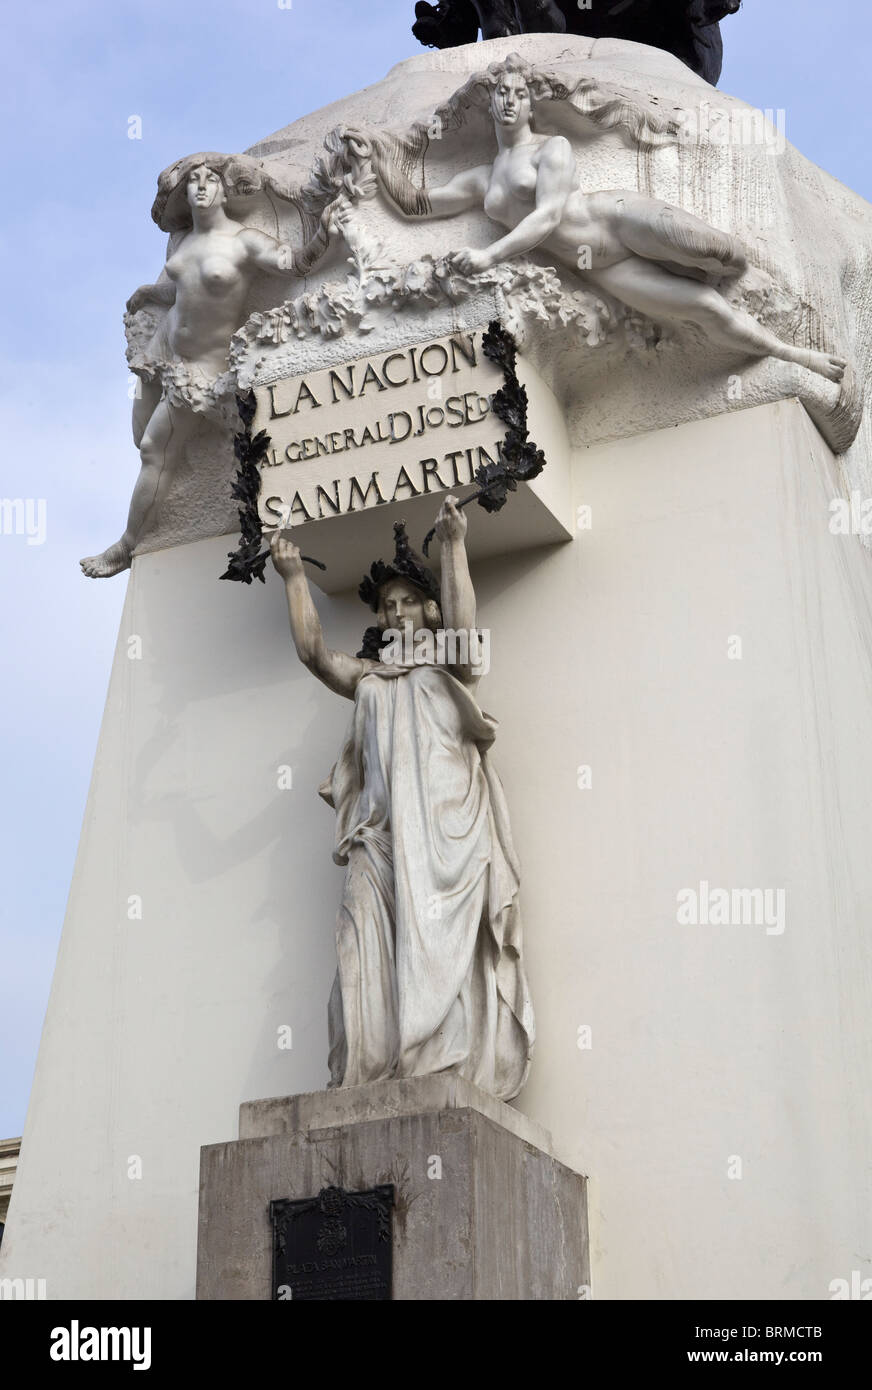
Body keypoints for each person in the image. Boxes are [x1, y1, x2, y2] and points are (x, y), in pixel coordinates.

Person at [349, 53, 845, 383]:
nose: (508, 101)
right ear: (488, 102)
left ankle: (765, 289)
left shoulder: (553, 149)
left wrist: (489, 254)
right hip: (603, 268)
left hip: (615, 220)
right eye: (499, 93)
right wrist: (372, 158)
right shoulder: (481, 181)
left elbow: (546, 216)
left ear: (530, 104)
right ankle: (798, 357)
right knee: (704, 310)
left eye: (518, 94)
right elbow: (419, 206)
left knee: (719, 253)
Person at [269, 498, 534, 1101]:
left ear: (429, 607)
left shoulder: (449, 667)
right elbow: (314, 654)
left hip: (447, 838)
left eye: (408, 600)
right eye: (387, 605)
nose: (395, 611)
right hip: (380, 840)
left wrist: (454, 545)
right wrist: (293, 579)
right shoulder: (367, 677)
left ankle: (441, 1064)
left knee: (442, 951)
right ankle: (370, 1073)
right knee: (359, 944)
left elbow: (465, 636)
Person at [80, 158, 315, 578]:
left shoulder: (245, 240)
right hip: (165, 351)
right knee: (139, 438)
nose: (202, 187)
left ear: (226, 192)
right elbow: (185, 286)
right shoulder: (183, 242)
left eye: (211, 180)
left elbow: (294, 263)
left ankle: (126, 546)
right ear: (186, 196)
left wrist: (330, 228)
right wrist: (149, 292)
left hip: (205, 370)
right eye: (194, 182)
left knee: (157, 449)